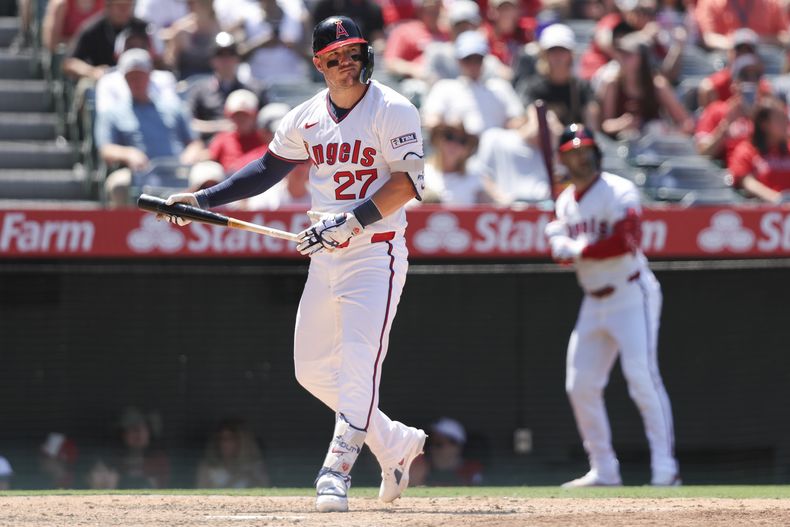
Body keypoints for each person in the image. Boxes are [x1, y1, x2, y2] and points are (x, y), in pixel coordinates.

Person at [159, 16, 427, 513]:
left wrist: (351, 220)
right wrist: (203, 199)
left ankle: (337, 468)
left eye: (353, 53)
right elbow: (265, 171)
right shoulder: (306, 116)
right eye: (334, 58)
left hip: (377, 251)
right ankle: (393, 442)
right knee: (310, 371)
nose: (347, 64)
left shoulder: (393, 108)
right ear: (319, 65)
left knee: (358, 362)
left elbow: (407, 184)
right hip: (326, 256)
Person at [544, 124, 680, 488]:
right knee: (581, 384)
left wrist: (578, 249)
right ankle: (604, 468)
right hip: (593, 299)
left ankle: (666, 468)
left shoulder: (620, 189)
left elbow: (628, 239)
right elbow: (564, 254)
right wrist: (557, 241)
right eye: (572, 153)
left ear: (597, 153)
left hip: (631, 293)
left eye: (585, 150)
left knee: (641, 378)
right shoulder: (565, 202)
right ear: (564, 159)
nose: (580, 157)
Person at [95, 49, 206, 206]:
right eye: (131, 77)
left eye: (140, 75)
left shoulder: (173, 106)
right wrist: (128, 153)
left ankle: (204, 227)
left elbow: (195, 142)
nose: (136, 81)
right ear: (124, 79)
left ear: (149, 76)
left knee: (210, 174)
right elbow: (105, 149)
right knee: (118, 185)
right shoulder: (113, 112)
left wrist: (190, 154)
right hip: (140, 175)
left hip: (179, 171)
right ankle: (124, 229)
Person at [421, 30, 524, 134]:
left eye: (478, 59)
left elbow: (518, 119)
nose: (473, 64)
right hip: (457, 146)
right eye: (468, 59)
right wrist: (450, 129)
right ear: (458, 60)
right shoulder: (444, 88)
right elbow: (431, 121)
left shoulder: (500, 87)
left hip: (495, 147)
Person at [598, 33, 693, 140]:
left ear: (642, 59)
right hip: (620, 147)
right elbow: (605, 125)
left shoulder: (657, 85)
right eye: (621, 53)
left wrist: (667, 134)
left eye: (628, 55)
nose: (622, 58)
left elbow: (686, 123)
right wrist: (621, 124)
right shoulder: (612, 84)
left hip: (655, 150)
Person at [187, 32, 269, 141]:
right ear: (212, 60)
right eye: (220, 54)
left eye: (230, 54)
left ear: (237, 59)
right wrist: (220, 126)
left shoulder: (255, 90)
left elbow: (266, 121)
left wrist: (243, 125)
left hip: (249, 148)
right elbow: (190, 124)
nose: (226, 60)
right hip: (211, 148)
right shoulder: (200, 91)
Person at [518, 23, 598, 128]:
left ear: (571, 54)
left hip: (577, 142)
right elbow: (529, 121)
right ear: (544, 54)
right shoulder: (532, 87)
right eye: (552, 51)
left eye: (562, 50)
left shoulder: (582, 87)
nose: (558, 56)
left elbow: (592, 124)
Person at [695, 53, 764, 164]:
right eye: (745, 75)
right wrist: (725, 126)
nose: (751, 80)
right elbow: (703, 153)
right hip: (725, 174)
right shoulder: (716, 110)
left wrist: (758, 118)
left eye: (756, 76)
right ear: (734, 83)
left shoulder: (768, 112)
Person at [63, 0, 148, 83]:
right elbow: (70, 63)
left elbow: (156, 59)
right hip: (102, 81)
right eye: (120, 6)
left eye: (128, 5)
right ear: (108, 6)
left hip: (137, 79)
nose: (124, 10)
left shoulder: (142, 28)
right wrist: (91, 71)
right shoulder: (92, 29)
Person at [87, 407, 170, 489]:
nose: (139, 433)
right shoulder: (111, 461)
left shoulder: (158, 461)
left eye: (144, 428)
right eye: (133, 428)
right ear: (123, 434)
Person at [422, 121, 501, 205]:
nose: (454, 144)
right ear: (438, 140)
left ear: (467, 149)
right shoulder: (422, 172)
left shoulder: (475, 177)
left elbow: (498, 204)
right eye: (449, 137)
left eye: (462, 141)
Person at [728, 98, 790, 203]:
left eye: (785, 118)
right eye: (780, 119)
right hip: (761, 211)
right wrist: (778, 199)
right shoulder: (746, 151)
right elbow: (747, 182)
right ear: (764, 124)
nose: (786, 123)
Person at [697, 29, 772, 109]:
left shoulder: (763, 87)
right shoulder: (713, 87)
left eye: (749, 50)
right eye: (739, 50)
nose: (743, 55)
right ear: (730, 52)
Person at [382, 0, 447, 80]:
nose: (434, 14)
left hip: (446, 79)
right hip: (417, 82)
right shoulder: (404, 31)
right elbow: (390, 63)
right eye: (429, 10)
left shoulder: (447, 32)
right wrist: (414, 70)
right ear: (420, 11)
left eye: (437, 10)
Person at [196, 418, 270, 488]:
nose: (225, 444)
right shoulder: (207, 467)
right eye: (222, 439)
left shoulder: (255, 466)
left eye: (230, 439)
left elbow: (265, 490)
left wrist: (250, 475)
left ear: (240, 441)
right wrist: (237, 477)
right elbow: (201, 494)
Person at [409, 417, 484, 486]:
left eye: (438, 444)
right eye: (429, 444)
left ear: (456, 447)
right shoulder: (420, 468)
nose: (432, 449)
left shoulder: (471, 471)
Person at [160, 0, 221, 80]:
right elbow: (169, 63)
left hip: (214, 84)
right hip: (185, 84)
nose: (188, 6)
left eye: (192, 3)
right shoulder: (181, 31)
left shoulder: (220, 29)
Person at [695, 0, 790, 51]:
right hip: (725, 59)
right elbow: (709, 38)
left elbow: (784, 38)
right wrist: (738, 45)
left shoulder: (771, 3)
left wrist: (756, 41)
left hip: (765, 60)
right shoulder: (711, 2)